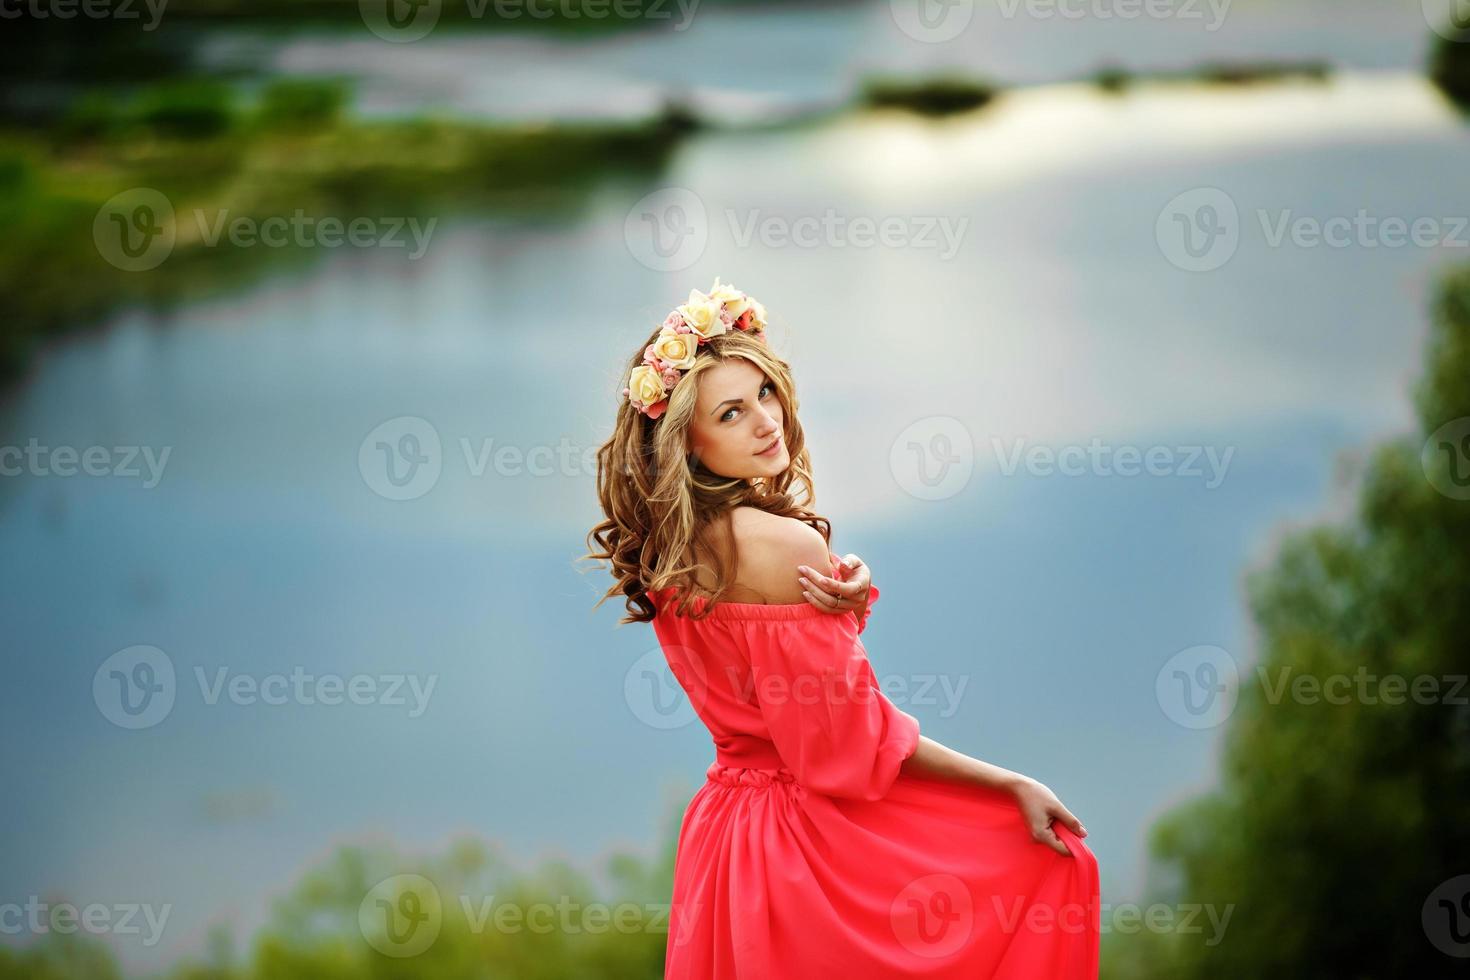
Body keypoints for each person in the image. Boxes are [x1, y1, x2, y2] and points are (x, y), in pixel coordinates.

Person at [584, 278, 1100, 978]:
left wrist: (839, 608)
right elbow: (850, 748)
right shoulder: (782, 548)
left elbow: (759, 678)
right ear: (690, 442)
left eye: (764, 393)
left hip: (724, 844)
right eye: (731, 414)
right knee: (1029, 881)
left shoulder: (664, 548)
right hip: (805, 855)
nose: (766, 422)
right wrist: (1007, 784)